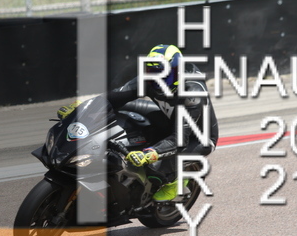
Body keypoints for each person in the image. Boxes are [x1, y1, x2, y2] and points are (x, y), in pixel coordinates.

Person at [58, 44, 219, 202]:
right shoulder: (149, 80)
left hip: (196, 138)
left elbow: (179, 140)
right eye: (152, 72)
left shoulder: (192, 94)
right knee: (118, 111)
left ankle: (176, 183)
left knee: (154, 167)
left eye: (163, 73)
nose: (157, 79)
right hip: (168, 119)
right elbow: (114, 97)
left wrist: (149, 154)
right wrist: (82, 108)